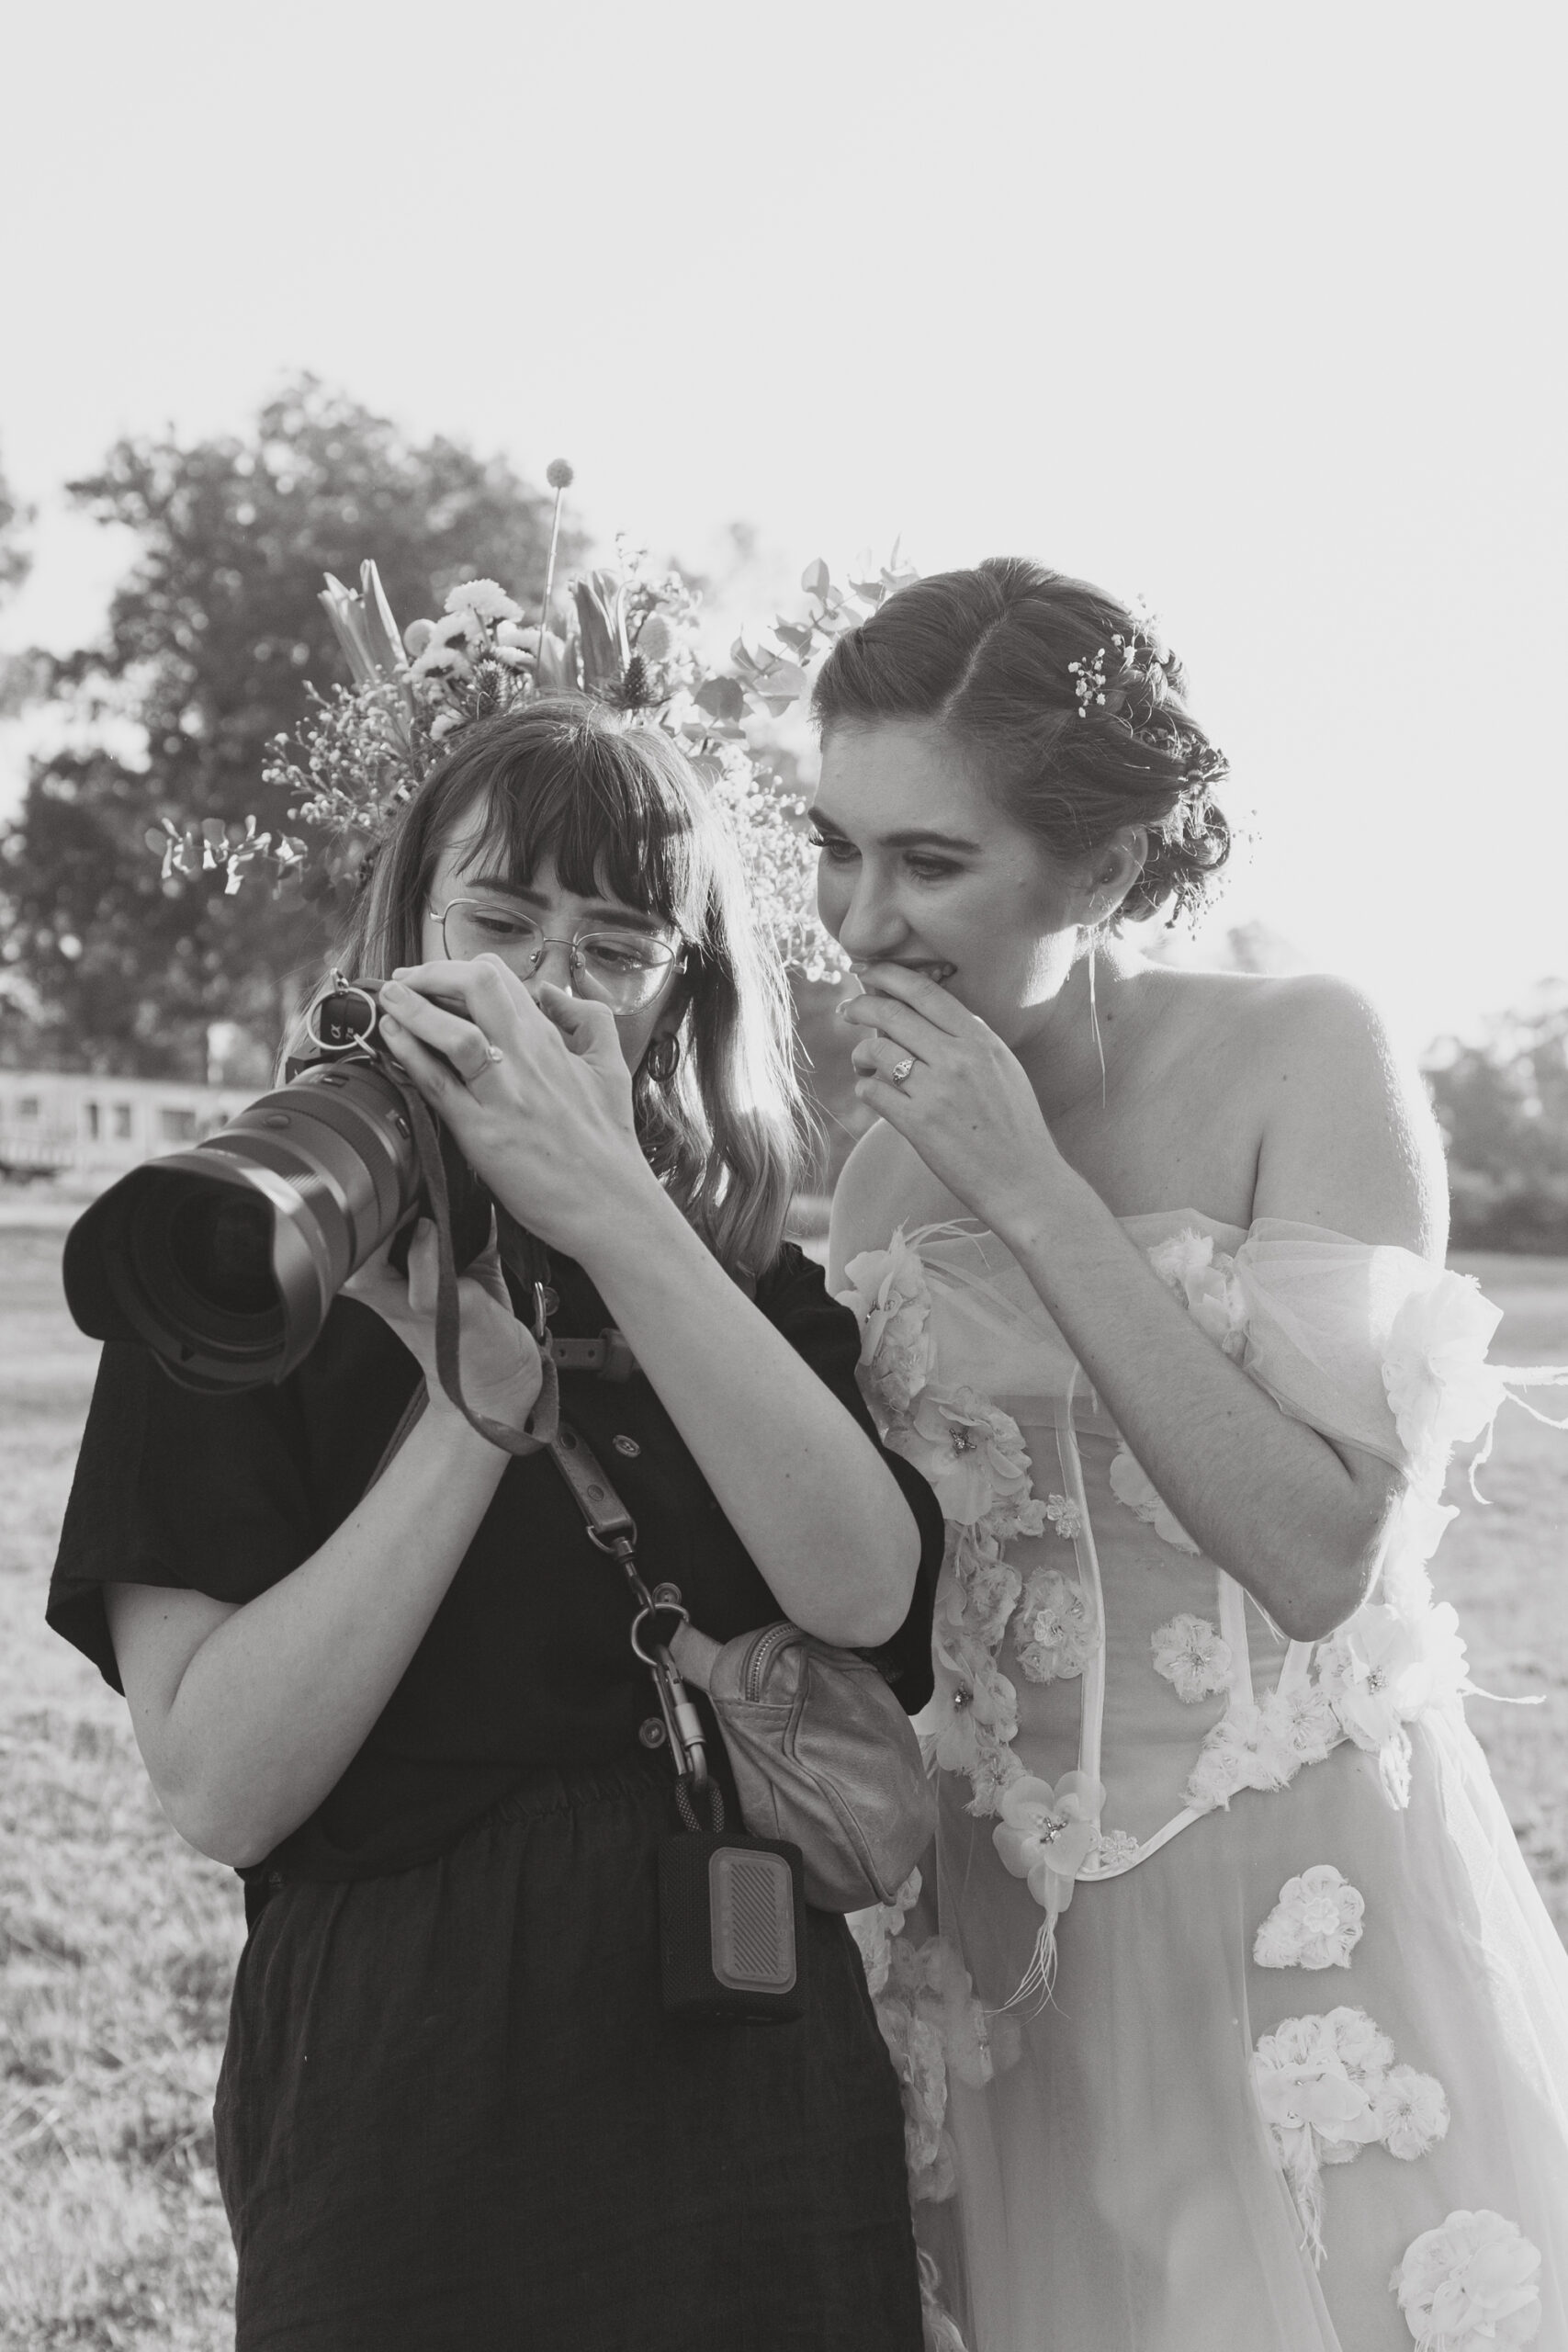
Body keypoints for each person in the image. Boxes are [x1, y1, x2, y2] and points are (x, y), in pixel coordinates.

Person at [48, 697, 946, 2352]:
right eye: (504, 919)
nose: (550, 982)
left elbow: (870, 1591)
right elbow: (223, 1786)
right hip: (406, 2074)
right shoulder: (237, 1256)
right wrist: (475, 1410)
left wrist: (612, 1216)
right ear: (406, 928)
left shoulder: (731, 1274)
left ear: (686, 988)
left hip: (738, 2032)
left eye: (620, 942)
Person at [817, 560, 1568, 2352]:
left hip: (1291, 1903)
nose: (856, 919)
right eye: (831, 847)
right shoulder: (866, 1181)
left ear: (1111, 866)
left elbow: (1322, 1550)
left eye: (927, 861)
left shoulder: (1299, 1055)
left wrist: (1027, 1186)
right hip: (996, 1957)